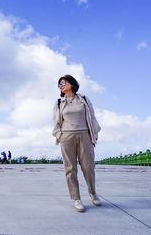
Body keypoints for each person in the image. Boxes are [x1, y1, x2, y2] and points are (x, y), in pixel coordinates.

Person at [52, 74, 102, 212]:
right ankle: (76, 198)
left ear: (72, 84)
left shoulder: (83, 99)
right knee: (70, 168)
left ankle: (93, 193)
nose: (61, 85)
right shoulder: (58, 103)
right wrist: (59, 135)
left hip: (84, 134)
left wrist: (94, 135)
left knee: (88, 166)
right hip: (67, 137)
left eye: (63, 82)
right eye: (59, 84)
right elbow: (55, 122)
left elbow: (92, 117)